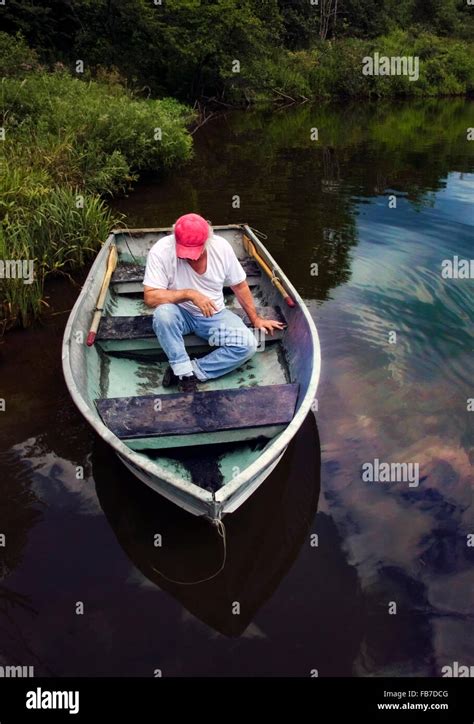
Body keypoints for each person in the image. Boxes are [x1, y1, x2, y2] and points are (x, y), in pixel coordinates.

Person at [143, 213, 285, 392]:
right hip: (179, 313)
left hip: (213, 314)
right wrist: (189, 294)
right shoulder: (161, 250)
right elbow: (150, 297)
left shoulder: (221, 248)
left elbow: (239, 286)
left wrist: (256, 319)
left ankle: (191, 371)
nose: (190, 257)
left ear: (207, 242)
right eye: (185, 252)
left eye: (193, 251)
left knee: (248, 345)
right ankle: (184, 373)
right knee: (162, 314)